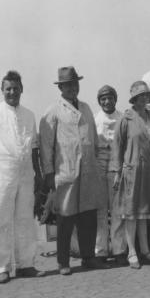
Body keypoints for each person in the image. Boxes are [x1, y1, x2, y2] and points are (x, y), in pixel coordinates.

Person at [39, 66, 110, 275]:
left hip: (88, 171)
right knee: (65, 218)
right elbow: (45, 145)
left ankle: (88, 257)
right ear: (60, 87)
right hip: (65, 171)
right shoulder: (52, 111)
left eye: (75, 83)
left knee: (88, 216)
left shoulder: (87, 108)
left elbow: (94, 140)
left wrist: (95, 165)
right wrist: (49, 173)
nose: (72, 88)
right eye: (67, 85)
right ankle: (63, 262)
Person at [0, 70, 45, 284]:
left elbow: (34, 148)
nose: (12, 92)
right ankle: (2, 268)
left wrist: (38, 175)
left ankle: (26, 264)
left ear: (21, 89)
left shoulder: (29, 115)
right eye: (8, 89)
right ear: (2, 91)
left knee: (25, 220)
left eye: (16, 88)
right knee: (1, 220)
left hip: (26, 173)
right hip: (2, 172)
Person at [110, 81, 150, 269]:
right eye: (140, 95)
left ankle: (145, 249)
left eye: (146, 95)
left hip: (148, 171)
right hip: (132, 170)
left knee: (144, 213)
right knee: (131, 213)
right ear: (134, 98)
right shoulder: (126, 118)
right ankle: (132, 251)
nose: (144, 98)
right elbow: (117, 145)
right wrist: (117, 171)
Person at [93, 85, 122, 261]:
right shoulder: (95, 119)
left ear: (115, 99)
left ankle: (119, 250)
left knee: (117, 210)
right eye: (103, 99)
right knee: (101, 211)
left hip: (116, 165)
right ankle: (100, 251)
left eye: (110, 98)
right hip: (99, 166)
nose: (107, 101)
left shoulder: (122, 119)